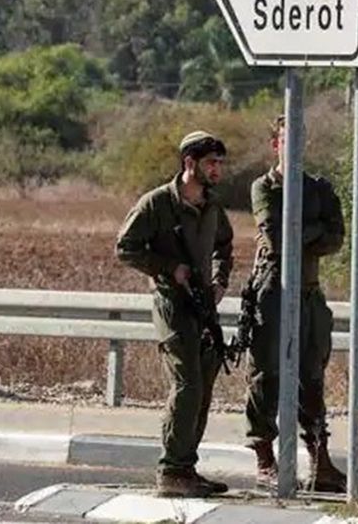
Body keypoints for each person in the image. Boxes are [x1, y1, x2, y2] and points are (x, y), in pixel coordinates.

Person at [115, 131, 234, 498]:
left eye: (219, 163)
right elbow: (126, 248)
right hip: (172, 303)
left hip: (203, 306)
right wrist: (169, 268)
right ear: (189, 163)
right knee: (187, 385)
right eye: (210, 163)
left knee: (203, 386)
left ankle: (187, 467)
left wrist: (219, 282)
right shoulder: (156, 205)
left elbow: (224, 246)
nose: (216, 170)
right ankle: (172, 469)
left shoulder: (213, 206)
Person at [244, 115, 348, 492]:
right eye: (288, 140)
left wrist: (307, 230)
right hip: (273, 290)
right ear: (276, 145)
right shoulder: (265, 187)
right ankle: (264, 457)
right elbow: (276, 239)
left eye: (301, 139)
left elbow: (336, 237)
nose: (295, 146)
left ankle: (320, 462)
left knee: (312, 376)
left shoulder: (318, 188)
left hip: (308, 290)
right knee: (266, 374)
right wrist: (313, 229)